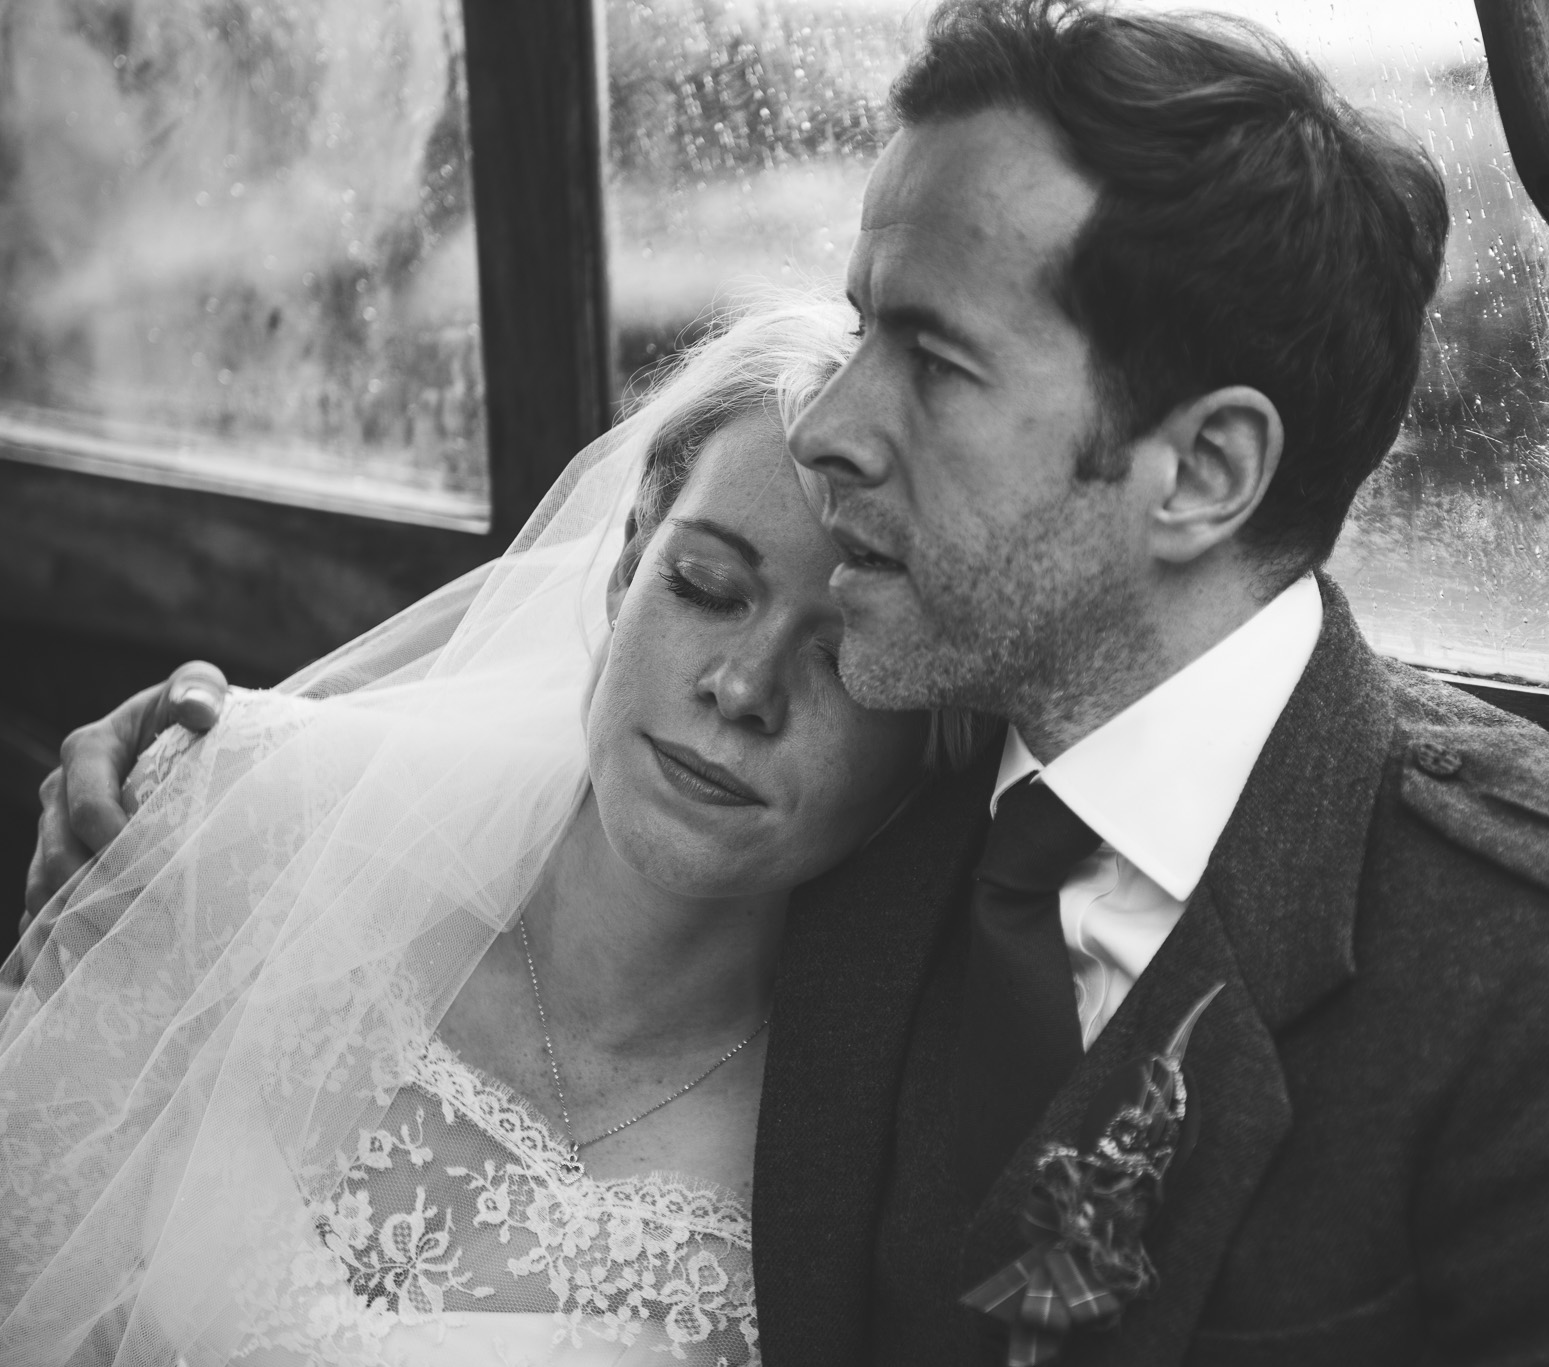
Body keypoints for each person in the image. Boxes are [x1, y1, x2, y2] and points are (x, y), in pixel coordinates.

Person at [22, 1, 1549, 1364]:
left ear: (1201, 474)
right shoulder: (854, 833)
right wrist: (227, 789)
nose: (827, 424)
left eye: (927, 356)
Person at [1, 299, 967, 1363]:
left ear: (931, 717)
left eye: (836, 656)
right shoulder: (240, 817)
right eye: (704, 586)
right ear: (627, 558)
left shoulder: (877, 1154)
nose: (741, 687)